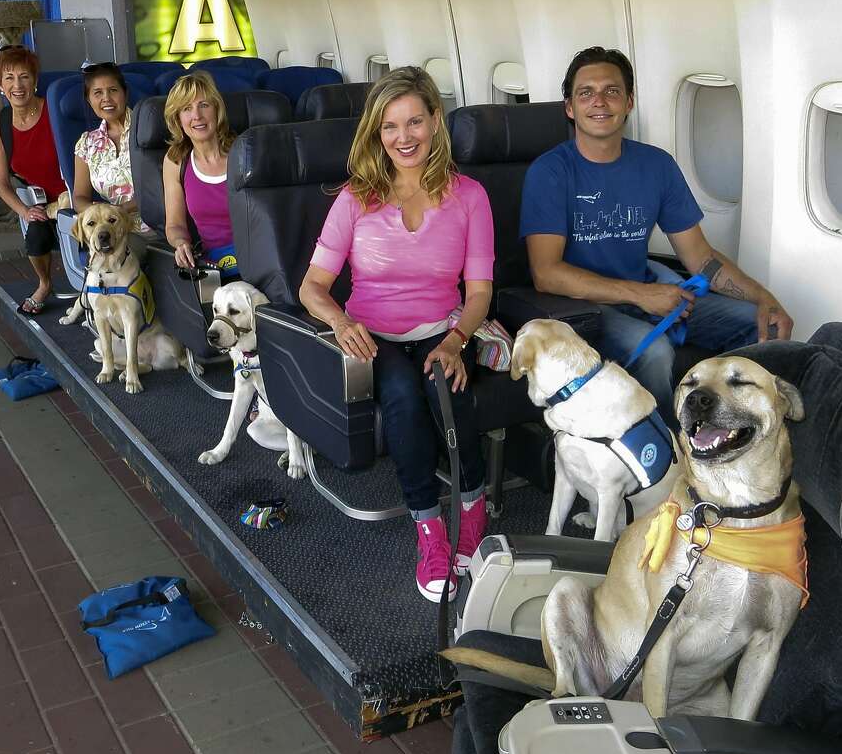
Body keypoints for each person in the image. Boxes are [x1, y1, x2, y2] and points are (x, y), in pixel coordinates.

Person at [299, 67, 495, 604]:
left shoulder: (470, 196)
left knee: (445, 389)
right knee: (405, 398)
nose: (404, 137)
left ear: (435, 122)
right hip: (375, 337)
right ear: (376, 134)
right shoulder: (355, 199)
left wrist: (456, 340)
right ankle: (430, 529)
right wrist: (341, 322)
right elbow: (312, 287)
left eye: (415, 122)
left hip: (444, 331)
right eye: (390, 127)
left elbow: (478, 293)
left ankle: (474, 508)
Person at [520, 46, 793, 423]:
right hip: (584, 307)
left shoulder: (656, 165)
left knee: (754, 323)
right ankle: (665, 458)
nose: (599, 101)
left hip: (649, 293)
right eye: (586, 93)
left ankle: (723, 430)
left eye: (612, 91)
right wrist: (642, 294)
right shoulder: (550, 173)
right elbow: (546, 273)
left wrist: (764, 297)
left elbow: (700, 256)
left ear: (629, 101)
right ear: (569, 107)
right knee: (655, 353)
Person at [0, 46, 66, 315]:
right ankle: (45, 283)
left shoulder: (54, 111)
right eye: (9, 78)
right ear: (0, 84)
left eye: (24, 77)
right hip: (40, 201)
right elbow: (1, 182)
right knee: (35, 233)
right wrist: (24, 211)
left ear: (34, 80)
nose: (17, 85)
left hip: (73, 194)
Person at [161, 72, 239, 276]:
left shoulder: (242, 152)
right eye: (187, 109)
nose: (197, 116)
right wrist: (181, 243)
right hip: (210, 267)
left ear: (217, 110)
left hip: (256, 259)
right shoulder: (175, 160)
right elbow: (175, 224)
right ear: (178, 118)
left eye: (204, 105)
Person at [73, 62, 141, 223]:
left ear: (125, 93)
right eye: (97, 93)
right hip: (112, 228)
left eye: (113, 90)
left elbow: (162, 190)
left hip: (157, 225)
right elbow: (79, 197)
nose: (106, 99)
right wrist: (97, 211)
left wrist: (119, 210)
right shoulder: (87, 144)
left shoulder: (148, 129)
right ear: (89, 101)